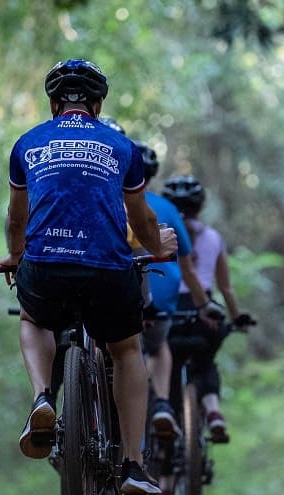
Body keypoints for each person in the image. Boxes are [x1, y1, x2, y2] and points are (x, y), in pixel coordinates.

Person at [0, 58, 177, 495]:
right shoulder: (121, 147)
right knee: (127, 351)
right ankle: (133, 465)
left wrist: (17, 257)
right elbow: (141, 214)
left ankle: (43, 398)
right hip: (108, 270)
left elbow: (16, 218)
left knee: (33, 319)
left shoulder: (27, 144)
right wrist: (157, 249)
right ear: (97, 104)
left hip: (46, 266)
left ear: (54, 102)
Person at [162, 174, 251, 443]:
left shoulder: (161, 234)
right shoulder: (214, 237)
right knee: (205, 362)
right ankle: (213, 411)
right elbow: (226, 288)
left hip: (168, 309)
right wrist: (237, 318)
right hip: (205, 311)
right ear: (200, 206)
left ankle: (164, 424)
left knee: (164, 364)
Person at [128, 141, 208, 440]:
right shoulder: (166, 208)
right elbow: (186, 267)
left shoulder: (107, 199)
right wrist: (203, 305)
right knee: (158, 346)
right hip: (158, 300)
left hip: (114, 294)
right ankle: (162, 402)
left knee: (123, 352)